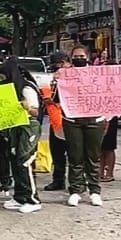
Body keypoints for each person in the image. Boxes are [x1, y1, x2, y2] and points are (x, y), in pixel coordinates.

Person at [63, 45, 110, 207]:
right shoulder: (65, 75)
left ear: (88, 57)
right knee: (75, 157)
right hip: (72, 122)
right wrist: (56, 81)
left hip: (94, 121)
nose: (79, 59)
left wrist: (120, 83)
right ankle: (76, 190)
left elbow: (111, 92)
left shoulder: (99, 75)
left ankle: (95, 191)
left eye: (82, 56)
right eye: (76, 56)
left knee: (93, 157)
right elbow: (56, 99)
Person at [0, 58, 43, 214]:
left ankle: (32, 199)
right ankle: (20, 196)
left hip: (28, 127)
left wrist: (27, 107)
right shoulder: (9, 90)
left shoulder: (26, 89)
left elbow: (36, 111)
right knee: (14, 160)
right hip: (15, 127)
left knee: (24, 161)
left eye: (3, 77)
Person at [44, 53, 69, 191]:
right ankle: (58, 180)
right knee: (57, 151)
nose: (57, 67)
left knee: (75, 153)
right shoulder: (53, 78)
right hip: (56, 119)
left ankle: (77, 182)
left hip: (72, 120)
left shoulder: (76, 76)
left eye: (59, 64)